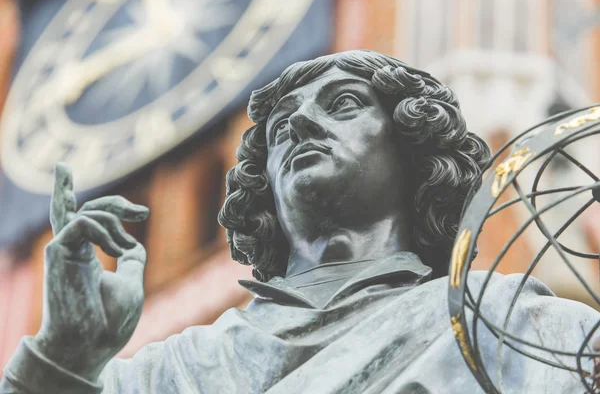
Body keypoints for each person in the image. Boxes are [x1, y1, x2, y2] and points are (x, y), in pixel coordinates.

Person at [1, 50, 598, 393]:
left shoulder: (509, 322)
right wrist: (62, 359)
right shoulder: (170, 371)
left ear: (415, 147)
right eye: (281, 125)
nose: (301, 126)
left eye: (342, 105)